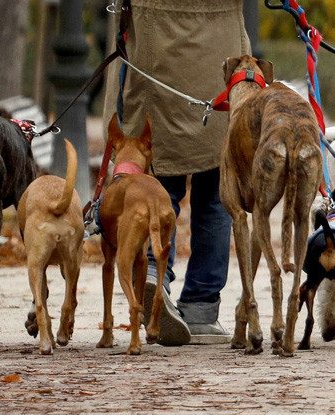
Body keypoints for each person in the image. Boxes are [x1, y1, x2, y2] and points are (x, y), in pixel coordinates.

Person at [102, 0, 251, 345]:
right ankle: (200, 307)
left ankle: (152, 272)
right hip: (220, 61)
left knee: (156, 183)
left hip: (156, 56)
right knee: (216, 194)